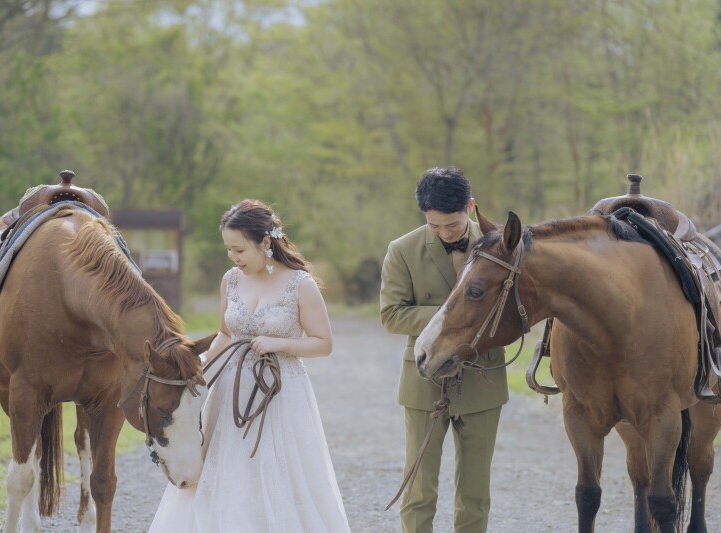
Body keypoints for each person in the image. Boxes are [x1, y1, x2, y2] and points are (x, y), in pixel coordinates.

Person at [149, 199, 351, 533]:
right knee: (226, 468)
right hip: (230, 391)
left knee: (278, 473)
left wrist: (280, 343)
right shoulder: (230, 280)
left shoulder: (301, 284)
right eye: (229, 249)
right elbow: (226, 335)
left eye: (239, 250)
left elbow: (323, 343)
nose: (233, 258)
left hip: (281, 393)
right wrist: (197, 369)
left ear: (265, 242)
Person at [380, 167, 508, 533]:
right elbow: (391, 315)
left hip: (484, 381)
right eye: (434, 226)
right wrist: (450, 316)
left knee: (475, 495)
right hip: (424, 381)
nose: (443, 233)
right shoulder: (401, 250)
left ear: (470, 206)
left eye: (451, 225)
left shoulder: (501, 243)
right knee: (419, 491)